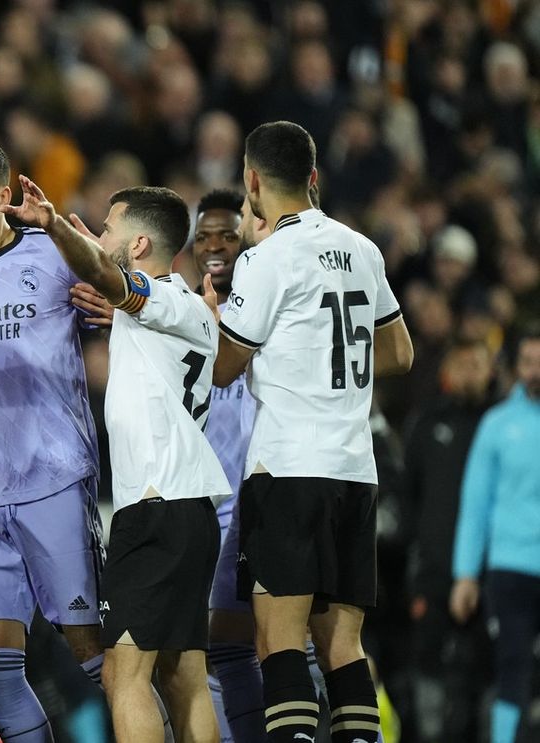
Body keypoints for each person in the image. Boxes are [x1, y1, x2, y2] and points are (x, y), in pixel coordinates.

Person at [211, 121, 414, 743]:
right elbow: (401, 354)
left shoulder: (265, 258)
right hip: (354, 472)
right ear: (314, 177)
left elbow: (223, 366)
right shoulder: (362, 249)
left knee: (278, 641)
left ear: (251, 180)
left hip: (288, 471)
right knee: (344, 646)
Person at [6, 178, 228, 742]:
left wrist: (54, 225)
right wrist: (117, 305)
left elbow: (111, 279)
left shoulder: (164, 300)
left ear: (138, 248)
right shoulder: (187, 311)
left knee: (122, 673)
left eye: (109, 229)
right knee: (183, 675)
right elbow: (124, 299)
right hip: (190, 511)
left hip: (154, 510)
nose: (101, 237)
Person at [0, 141, 115, 743]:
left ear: (5, 196)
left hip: (56, 477)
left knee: (92, 652)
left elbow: (112, 288)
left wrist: (64, 232)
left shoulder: (50, 253)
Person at [190, 189, 266, 743]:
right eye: (205, 236)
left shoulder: (267, 314)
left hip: (258, 508)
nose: (215, 246)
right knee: (214, 655)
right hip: (201, 512)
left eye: (229, 235)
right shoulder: (176, 314)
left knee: (279, 648)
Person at [449, 327, 540, 743]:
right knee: (513, 667)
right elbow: (475, 504)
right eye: (528, 361)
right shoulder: (498, 424)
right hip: (511, 567)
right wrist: (466, 574)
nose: (535, 371)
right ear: (516, 366)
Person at [403, 339, 493, 743]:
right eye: (463, 363)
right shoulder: (426, 423)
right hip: (435, 568)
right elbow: (409, 497)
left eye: (479, 363)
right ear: (447, 370)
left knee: (489, 667)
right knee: (428, 664)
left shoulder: (498, 424)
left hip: (490, 569)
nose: (470, 372)